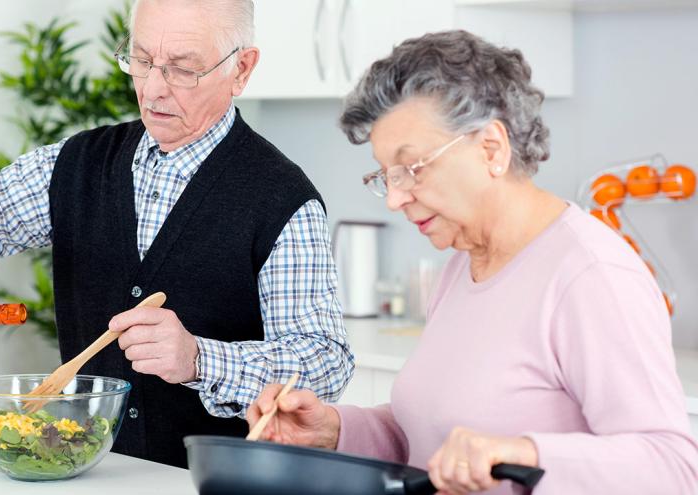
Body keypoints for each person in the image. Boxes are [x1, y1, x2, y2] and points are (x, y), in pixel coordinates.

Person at [0, 0, 353, 468]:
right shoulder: (77, 163)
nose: (153, 89)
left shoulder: (282, 198)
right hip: (89, 475)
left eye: (181, 68)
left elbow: (326, 364)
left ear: (241, 69)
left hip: (212, 481)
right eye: (141, 61)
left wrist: (200, 359)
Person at [247, 30, 698, 493]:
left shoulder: (591, 275)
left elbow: (673, 468)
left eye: (412, 169)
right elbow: (430, 437)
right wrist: (335, 429)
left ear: (491, 148)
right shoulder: (463, 264)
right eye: (386, 176)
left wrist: (524, 453)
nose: (395, 198)